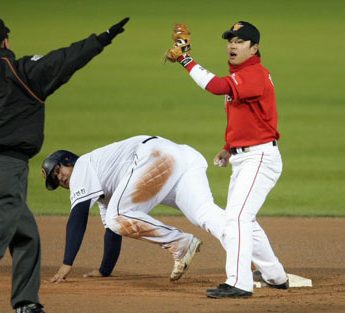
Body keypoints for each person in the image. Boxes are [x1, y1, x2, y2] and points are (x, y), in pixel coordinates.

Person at [0, 15, 129, 313]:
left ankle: (26, 303)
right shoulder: (23, 71)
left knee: (26, 238)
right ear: (6, 41)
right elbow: (67, 58)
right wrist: (101, 39)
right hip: (5, 171)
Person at [166, 22, 289, 298]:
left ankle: (239, 283)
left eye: (240, 41)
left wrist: (186, 58)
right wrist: (228, 147)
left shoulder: (255, 74)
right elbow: (247, 119)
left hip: (260, 158)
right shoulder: (243, 75)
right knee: (246, 219)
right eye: (230, 40)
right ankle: (275, 276)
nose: (232, 45)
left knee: (236, 220)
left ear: (254, 48)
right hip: (246, 156)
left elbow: (216, 86)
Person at [41, 135, 226, 283]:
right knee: (205, 213)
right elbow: (112, 231)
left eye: (58, 171)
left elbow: (78, 216)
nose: (61, 179)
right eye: (56, 180)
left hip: (155, 155)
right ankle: (249, 254)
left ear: (68, 160)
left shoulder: (82, 167)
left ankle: (179, 242)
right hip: (182, 156)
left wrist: (67, 264)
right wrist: (104, 270)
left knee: (117, 215)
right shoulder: (103, 186)